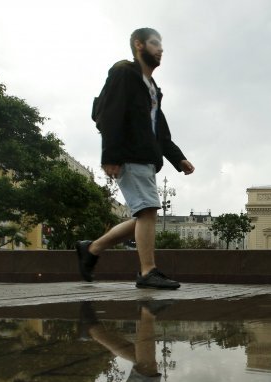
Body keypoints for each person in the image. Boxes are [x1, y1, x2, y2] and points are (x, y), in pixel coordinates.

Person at [76, 27, 194, 289]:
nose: (160, 49)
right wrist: (110, 155)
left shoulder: (152, 87)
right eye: (154, 44)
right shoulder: (124, 73)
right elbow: (110, 113)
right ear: (139, 45)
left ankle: (92, 249)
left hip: (146, 157)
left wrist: (178, 158)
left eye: (161, 44)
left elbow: (159, 129)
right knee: (148, 210)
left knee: (144, 213)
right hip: (129, 154)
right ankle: (147, 271)